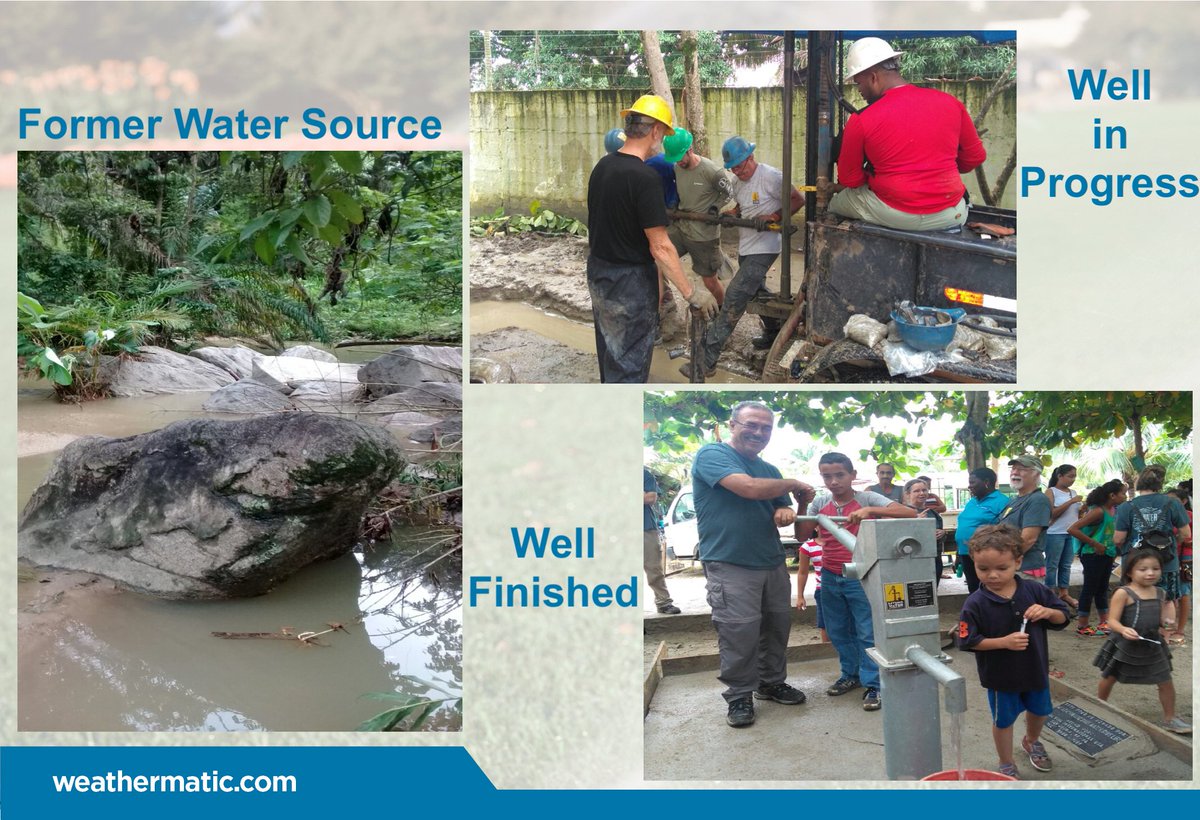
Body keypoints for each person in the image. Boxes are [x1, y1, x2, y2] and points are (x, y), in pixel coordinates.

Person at [692, 401, 816, 727]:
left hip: (772, 561)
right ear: (733, 425)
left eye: (766, 428)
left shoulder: (770, 471)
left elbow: (790, 524)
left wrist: (799, 502)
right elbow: (746, 488)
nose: (758, 432)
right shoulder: (712, 455)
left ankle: (770, 683)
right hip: (729, 562)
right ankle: (739, 696)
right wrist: (793, 484)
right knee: (739, 632)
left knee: (776, 628)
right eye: (751, 424)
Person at [586, 95, 718, 383]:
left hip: (599, 274)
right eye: (663, 133)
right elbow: (660, 246)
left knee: (611, 350)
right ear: (655, 130)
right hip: (629, 284)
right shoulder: (643, 178)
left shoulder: (602, 167)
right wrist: (690, 293)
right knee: (630, 365)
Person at [826, 37, 987, 231]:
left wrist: (875, 177)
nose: (860, 91)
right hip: (952, 213)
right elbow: (974, 158)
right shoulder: (951, 103)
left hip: (894, 212)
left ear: (873, 78)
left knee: (834, 205)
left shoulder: (862, 119)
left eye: (859, 83)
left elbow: (850, 180)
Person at [796, 452, 916, 712]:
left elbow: (909, 513)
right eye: (827, 476)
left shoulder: (868, 498)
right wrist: (802, 506)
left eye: (840, 475)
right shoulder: (820, 503)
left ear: (852, 475)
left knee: (866, 631)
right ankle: (850, 674)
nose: (834, 481)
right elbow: (801, 535)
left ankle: (873, 683)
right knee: (837, 630)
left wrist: (871, 510)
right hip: (829, 575)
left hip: (861, 574)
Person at [681, 136, 802, 378]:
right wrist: (732, 214)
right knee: (756, 291)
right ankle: (773, 331)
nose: (737, 171)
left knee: (736, 295)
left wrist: (775, 217)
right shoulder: (737, 183)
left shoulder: (771, 176)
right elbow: (742, 206)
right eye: (733, 167)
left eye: (740, 165)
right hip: (747, 247)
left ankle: (706, 359)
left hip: (766, 246)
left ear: (751, 158)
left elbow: (797, 200)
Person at [958, 524, 1070, 779]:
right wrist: (1003, 642)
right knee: (1003, 721)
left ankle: (1031, 740)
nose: (992, 576)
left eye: (1002, 568)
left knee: (1040, 711)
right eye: (983, 569)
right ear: (973, 562)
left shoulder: (1035, 591)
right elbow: (967, 641)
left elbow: (1063, 616)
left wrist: (1048, 612)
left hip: (1035, 670)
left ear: (1018, 562)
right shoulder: (975, 603)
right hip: (1001, 678)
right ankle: (1006, 761)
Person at [1093, 548, 1191, 734]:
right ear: (1129, 572)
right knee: (1110, 676)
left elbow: (1160, 620)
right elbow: (1111, 621)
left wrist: (1167, 624)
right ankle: (1099, 706)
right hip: (1125, 644)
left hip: (1152, 644)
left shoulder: (1160, 593)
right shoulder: (1124, 593)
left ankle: (1170, 718)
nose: (1150, 573)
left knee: (1165, 680)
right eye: (1143, 569)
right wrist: (1123, 629)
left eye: (1155, 568)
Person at [662, 127, 733, 306]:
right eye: (675, 160)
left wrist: (716, 207)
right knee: (660, 258)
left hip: (704, 236)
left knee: (709, 281)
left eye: (680, 158)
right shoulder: (676, 168)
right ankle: (665, 300)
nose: (678, 163)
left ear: (690, 150)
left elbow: (729, 192)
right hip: (682, 227)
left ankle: (723, 310)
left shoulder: (711, 171)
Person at [1114, 465, 1191, 606]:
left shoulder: (1126, 507)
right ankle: (1165, 627)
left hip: (1136, 565)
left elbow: (1119, 539)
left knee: (1135, 603)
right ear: (1160, 484)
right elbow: (1186, 534)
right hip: (1166, 562)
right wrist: (1171, 543)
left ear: (1139, 483)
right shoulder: (1173, 503)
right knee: (1167, 602)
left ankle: (1139, 628)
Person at [1068, 480, 1127, 636]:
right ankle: (1082, 625)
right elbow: (1073, 529)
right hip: (1092, 554)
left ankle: (1104, 621)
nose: (1125, 496)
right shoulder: (1098, 511)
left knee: (1102, 588)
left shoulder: (1113, 509)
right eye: (1122, 493)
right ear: (1112, 495)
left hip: (1107, 554)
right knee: (1089, 588)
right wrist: (1095, 544)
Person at [955, 468, 1010, 594]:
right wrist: (958, 552)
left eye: (973, 482)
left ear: (986, 482)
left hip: (985, 552)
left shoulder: (1002, 501)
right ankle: (977, 612)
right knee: (973, 588)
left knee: (988, 588)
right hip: (965, 552)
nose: (969, 486)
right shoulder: (972, 501)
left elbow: (1005, 528)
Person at [999, 455, 1052, 581]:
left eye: (1022, 469)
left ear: (1036, 473)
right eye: (1013, 468)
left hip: (1024, 570)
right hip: (1011, 567)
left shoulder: (1038, 500)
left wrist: (1002, 561)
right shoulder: (1014, 500)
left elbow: (1028, 539)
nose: (1015, 472)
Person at [1044, 464, 1083, 609]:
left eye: (1074, 476)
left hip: (1070, 533)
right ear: (1060, 476)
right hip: (1055, 533)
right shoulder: (1051, 491)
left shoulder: (1073, 492)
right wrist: (1071, 502)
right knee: (1052, 564)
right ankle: (1049, 593)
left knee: (1066, 564)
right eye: (1070, 476)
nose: (1073, 479)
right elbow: (1051, 513)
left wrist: (1081, 508)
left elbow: (1076, 515)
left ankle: (1064, 592)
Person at [643, 468, 680, 615]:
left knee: (653, 568)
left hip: (645, 527)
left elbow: (650, 498)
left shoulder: (644, 474)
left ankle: (663, 602)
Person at [903, 477, 945, 582]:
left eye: (924, 490)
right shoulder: (902, 512)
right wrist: (916, 522)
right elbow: (897, 535)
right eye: (916, 491)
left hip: (934, 559)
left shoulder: (933, 513)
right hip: (912, 560)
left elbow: (941, 533)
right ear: (908, 494)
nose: (921, 493)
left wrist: (943, 533)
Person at [1165, 488, 1192, 645]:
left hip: (1185, 559)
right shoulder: (1165, 516)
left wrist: (1183, 540)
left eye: (1174, 500)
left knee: (1183, 593)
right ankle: (1168, 628)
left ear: (1184, 501)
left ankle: (1180, 630)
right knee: (1170, 595)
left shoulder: (1190, 516)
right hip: (1168, 558)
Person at [795, 537, 828, 643]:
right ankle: (827, 649)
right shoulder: (807, 547)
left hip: (842, 586)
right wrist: (800, 596)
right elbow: (802, 572)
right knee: (825, 624)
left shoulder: (840, 542)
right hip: (822, 589)